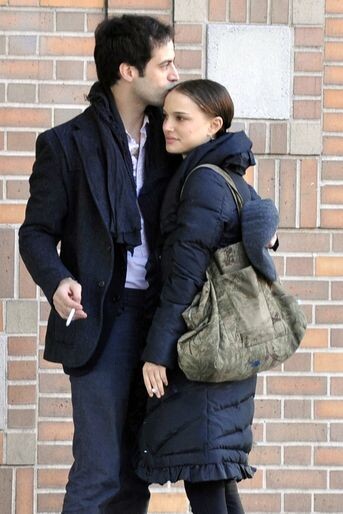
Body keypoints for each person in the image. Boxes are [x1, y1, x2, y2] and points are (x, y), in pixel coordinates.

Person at [19, 14, 179, 514]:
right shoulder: (65, 145)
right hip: (99, 321)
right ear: (128, 71)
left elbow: (229, 155)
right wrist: (58, 279)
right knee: (98, 470)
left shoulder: (173, 139)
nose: (175, 75)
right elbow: (36, 233)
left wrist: (263, 224)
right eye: (165, 64)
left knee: (136, 471)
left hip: (156, 321)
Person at [135, 79, 277, 514]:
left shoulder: (202, 183)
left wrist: (156, 353)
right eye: (165, 117)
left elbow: (185, 277)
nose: (168, 127)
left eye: (182, 118)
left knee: (207, 476)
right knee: (213, 473)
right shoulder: (223, 174)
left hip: (201, 348)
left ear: (214, 124)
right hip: (221, 347)